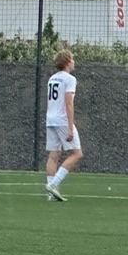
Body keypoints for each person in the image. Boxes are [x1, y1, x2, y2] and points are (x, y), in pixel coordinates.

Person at [45, 50, 84, 202]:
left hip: (50, 119)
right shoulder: (70, 79)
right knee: (76, 153)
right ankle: (54, 184)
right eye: (72, 59)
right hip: (62, 120)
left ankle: (51, 193)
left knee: (53, 155)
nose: (74, 62)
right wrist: (70, 126)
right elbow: (68, 103)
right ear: (67, 62)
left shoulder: (52, 78)